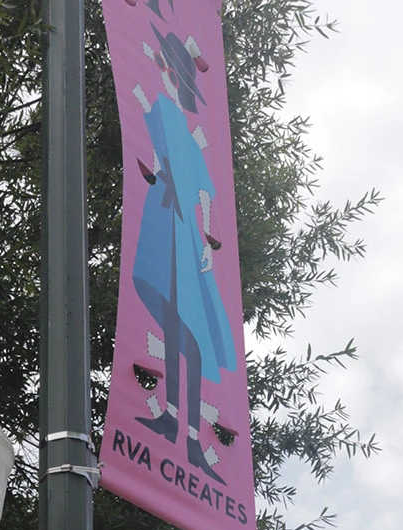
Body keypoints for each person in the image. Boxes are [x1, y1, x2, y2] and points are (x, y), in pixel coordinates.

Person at [131, 23, 236, 481]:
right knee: (173, 322)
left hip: (183, 230)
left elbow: (205, 190)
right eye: (166, 71)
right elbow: (152, 155)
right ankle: (172, 416)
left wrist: (210, 241)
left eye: (172, 73)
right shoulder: (157, 110)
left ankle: (191, 437)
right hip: (160, 218)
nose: (167, 77)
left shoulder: (188, 131)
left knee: (190, 332)